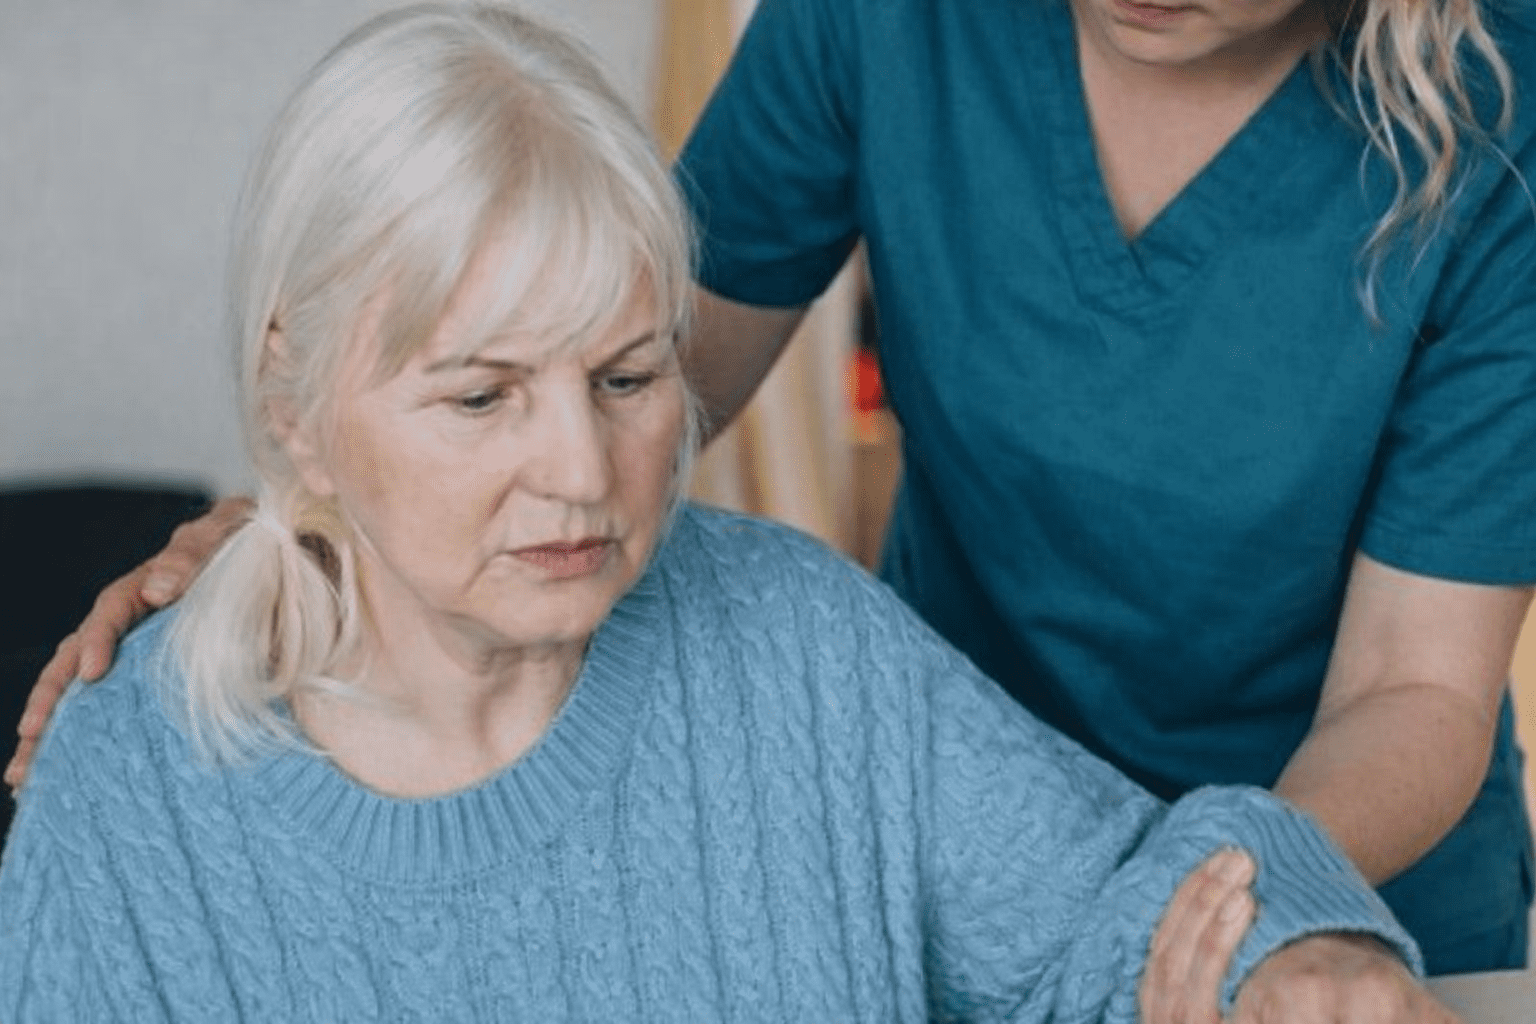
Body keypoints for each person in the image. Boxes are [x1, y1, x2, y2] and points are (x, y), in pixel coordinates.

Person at [0, 4, 1464, 1022]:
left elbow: (1130, 918)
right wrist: (289, 517)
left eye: (628, 376)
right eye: (481, 397)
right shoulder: (132, 791)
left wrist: (1292, 936)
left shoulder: (809, 649)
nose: (582, 472)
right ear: (294, 406)